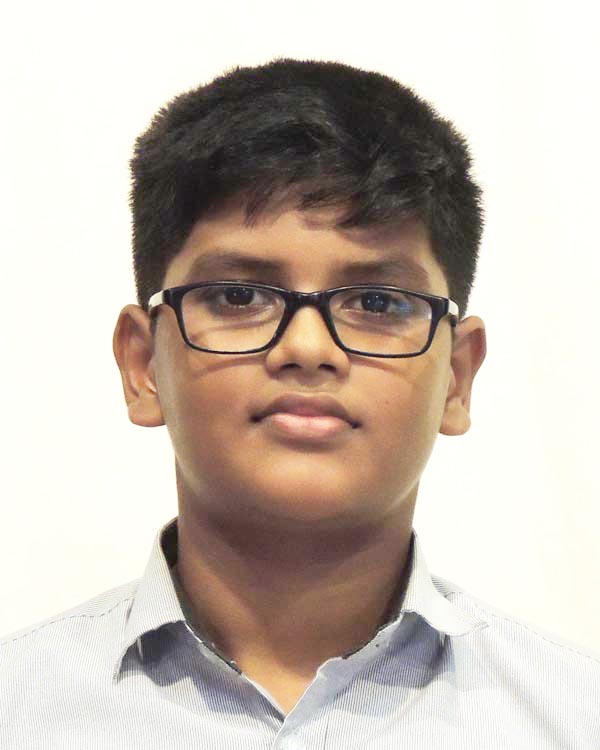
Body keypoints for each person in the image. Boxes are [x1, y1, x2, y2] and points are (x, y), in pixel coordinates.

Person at [1, 58, 598, 748]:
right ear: (143, 366)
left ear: (457, 378)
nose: (308, 347)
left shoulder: (576, 719)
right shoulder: (20, 708)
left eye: (378, 302)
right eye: (239, 296)